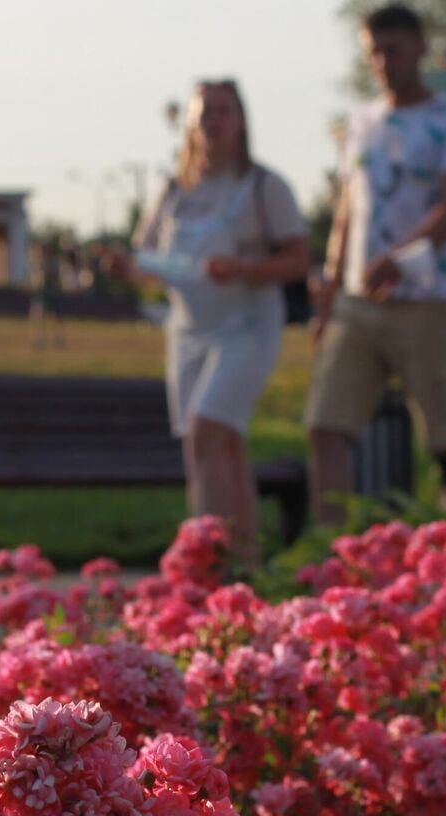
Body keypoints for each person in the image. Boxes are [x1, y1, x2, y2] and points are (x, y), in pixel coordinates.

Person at [307, 3, 446, 525]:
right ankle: (331, 549)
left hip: (427, 301)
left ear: (421, 49)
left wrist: (400, 258)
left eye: (394, 50)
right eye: (374, 53)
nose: (384, 63)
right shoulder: (361, 123)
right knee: (326, 425)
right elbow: (348, 209)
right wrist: (331, 287)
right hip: (358, 305)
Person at [118, 79, 309, 568]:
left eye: (224, 112)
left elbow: (298, 259)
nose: (214, 122)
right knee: (221, 444)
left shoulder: (264, 185)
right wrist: (126, 267)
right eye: (204, 114)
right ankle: (247, 564)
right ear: (189, 123)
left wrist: (243, 269)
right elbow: (151, 260)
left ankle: (206, 565)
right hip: (189, 329)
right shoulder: (173, 190)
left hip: (247, 326)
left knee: (206, 431)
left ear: (241, 121)